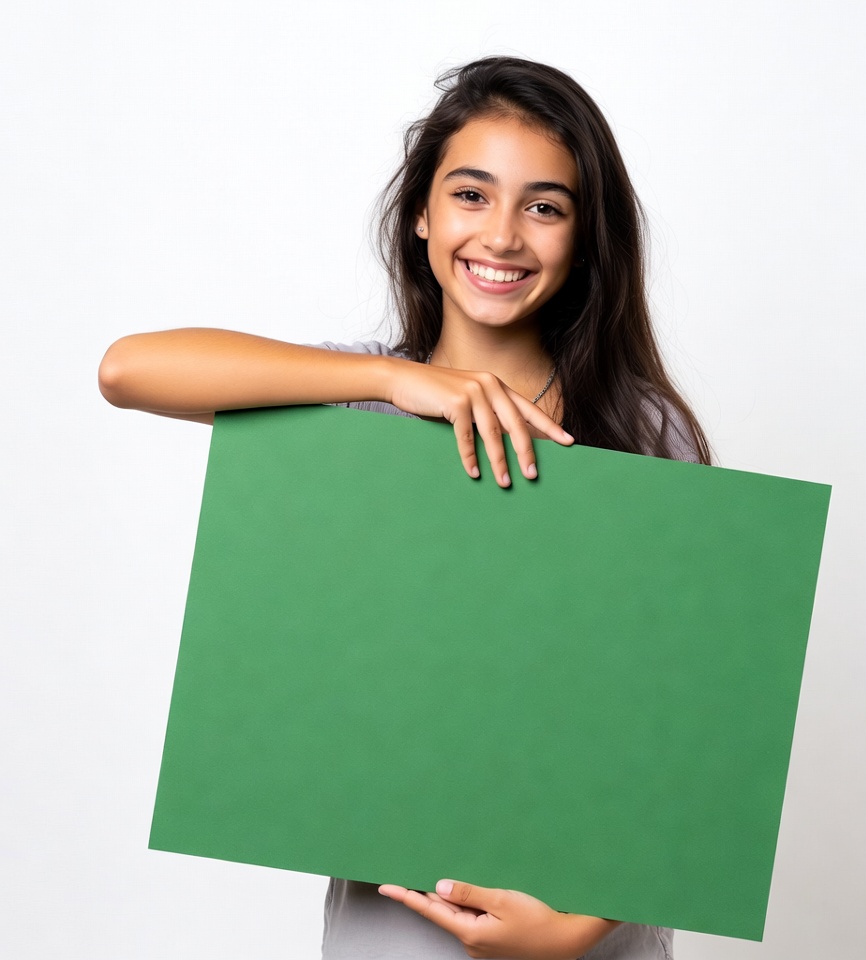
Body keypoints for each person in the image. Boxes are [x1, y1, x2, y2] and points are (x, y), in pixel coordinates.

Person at [100, 56, 710, 960]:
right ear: (421, 212)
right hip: (394, 932)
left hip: (585, 934)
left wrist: (576, 929)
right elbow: (127, 369)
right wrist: (396, 378)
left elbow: (690, 718)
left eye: (545, 206)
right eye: (472, 194)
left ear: (585, 240)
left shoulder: (641, 431)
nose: (502, 235)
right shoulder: (354, 412)